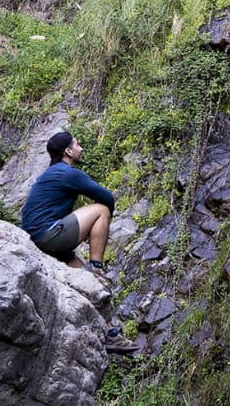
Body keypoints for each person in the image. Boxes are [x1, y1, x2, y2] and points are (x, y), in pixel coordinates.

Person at [21, 131, 137, 354]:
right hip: (49, 237)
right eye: (77, 144)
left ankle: (111, 334)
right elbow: (107, 198)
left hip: (38, 243)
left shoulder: (50, 174)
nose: (81, 148)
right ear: (68, 151)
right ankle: (97, 266)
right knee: (101, 210)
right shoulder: (67, 173)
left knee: (89, 286)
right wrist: (99, 224)